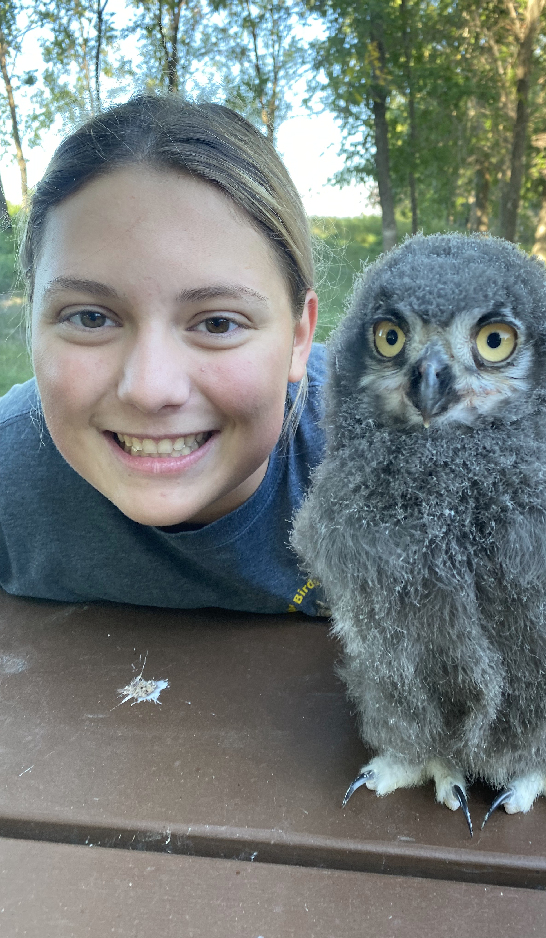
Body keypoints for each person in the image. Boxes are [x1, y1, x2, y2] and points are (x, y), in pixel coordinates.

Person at [0, 94, 329, 616]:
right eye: (91, 318)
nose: (151, 390)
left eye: (218, 323)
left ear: (297, 338)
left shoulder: (402, 470)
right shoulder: (7, 475)